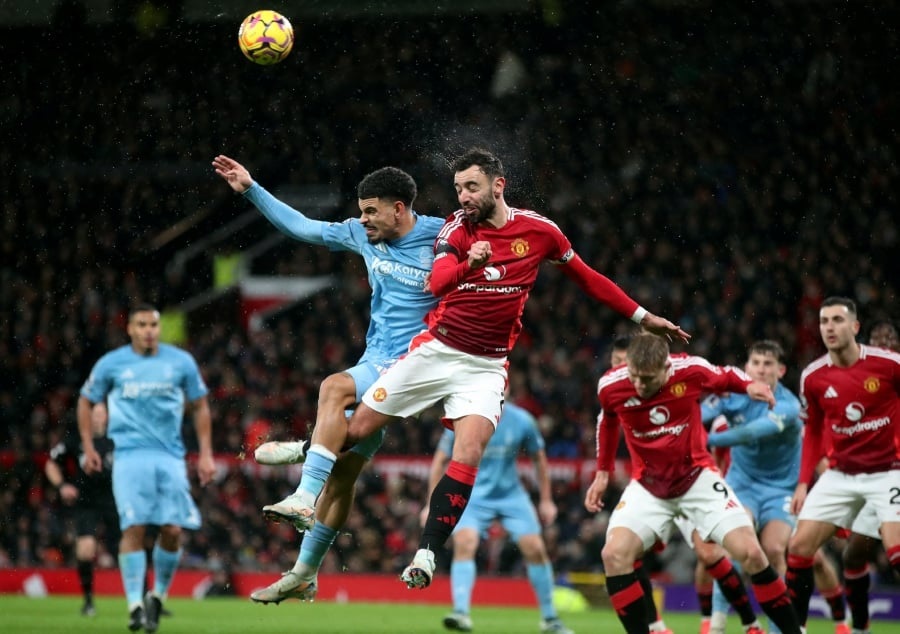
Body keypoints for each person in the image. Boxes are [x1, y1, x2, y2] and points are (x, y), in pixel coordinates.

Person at [268, 147, 688, 592]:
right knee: (351, 437)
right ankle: (308, 448)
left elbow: (587, 277)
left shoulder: (541, 232)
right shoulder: (455, 229)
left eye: (471, 187)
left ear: (497, 185)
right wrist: (469, 263)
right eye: (457, 189)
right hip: (436, 351)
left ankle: (426, 553)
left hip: (486, 367)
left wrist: (643, 317)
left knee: (467, 452)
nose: (463, 196)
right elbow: (438, 280)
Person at [212, 155, 446, 603]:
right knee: (343, 473)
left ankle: (303, 482)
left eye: (371, 210)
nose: (362, 219)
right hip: (377, 358)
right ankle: (304, 572)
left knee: (333, 387)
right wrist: (251, 188)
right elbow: (303, 227)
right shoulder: (362, 235)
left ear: (400, 208)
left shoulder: (440, 234)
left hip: (418, 365)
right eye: (360, 211)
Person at [586, 333, 801, 634]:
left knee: (752, 553)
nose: (640, 386)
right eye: (634, 377)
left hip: (696, 478)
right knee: (613, 555)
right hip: (648, 487)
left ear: (667, 368)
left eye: (648, 379)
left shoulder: (690, 371)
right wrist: (603, 472)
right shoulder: (611, 385)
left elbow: (727, 376)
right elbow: (607, 420)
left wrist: (749, 385)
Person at [78, 303, 215, 633]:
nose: (149, 330)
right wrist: (88, 446)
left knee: (172, 530)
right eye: (141, 324)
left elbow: (199, 406)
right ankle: (135, 606)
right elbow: (85, 400)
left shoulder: (180, 362)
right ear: (130, 329)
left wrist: (207, 453)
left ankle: (158, 596)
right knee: (134, 529)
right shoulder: (112, 364)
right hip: (128, 456)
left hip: (169, 457)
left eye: (153, 324)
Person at [785, 297, 900, 634]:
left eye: (837, 320)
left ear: (855, 327)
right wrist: (803, 483)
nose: (829, 327)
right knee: (799, 548)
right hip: (840, 475)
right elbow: (813, 433)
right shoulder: (813, 376)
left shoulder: (889, 365)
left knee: (896, 555)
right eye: (823, 321)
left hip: (887, 472)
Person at [427, 402, 572, 634]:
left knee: (535, 547)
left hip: (511, 495)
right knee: (465, 542)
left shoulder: (523, 420)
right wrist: (430, 504)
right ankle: (461, 613)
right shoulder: (462, 416)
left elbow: (539, 458)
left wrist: (546, 500)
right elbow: (439, 461)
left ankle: (550, 618)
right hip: (472, 495)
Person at [699, 340, 806, 634]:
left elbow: (749, 433)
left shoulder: (788, 406)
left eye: (768, 364)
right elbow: (697, 417)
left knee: (773, 550)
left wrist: (705, 440)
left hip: (780, 489)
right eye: (755, 363)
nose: (760, 369)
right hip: (741, 483)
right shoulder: (731, 396)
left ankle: (777, 628)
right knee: (735, 548)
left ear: (780, 370)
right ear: (746, 368)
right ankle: (717, 624)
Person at [45, 402, 119, 617]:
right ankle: (88, 601)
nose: (96, 418)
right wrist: (61, 486)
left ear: (107, 417)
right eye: (93, 414)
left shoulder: (118, 439)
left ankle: (143, 599)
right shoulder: (77, 438)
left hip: (115, 501)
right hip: (87, 503)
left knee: (128, 549)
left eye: (100, 414)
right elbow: (51, 463)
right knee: (85, 549)